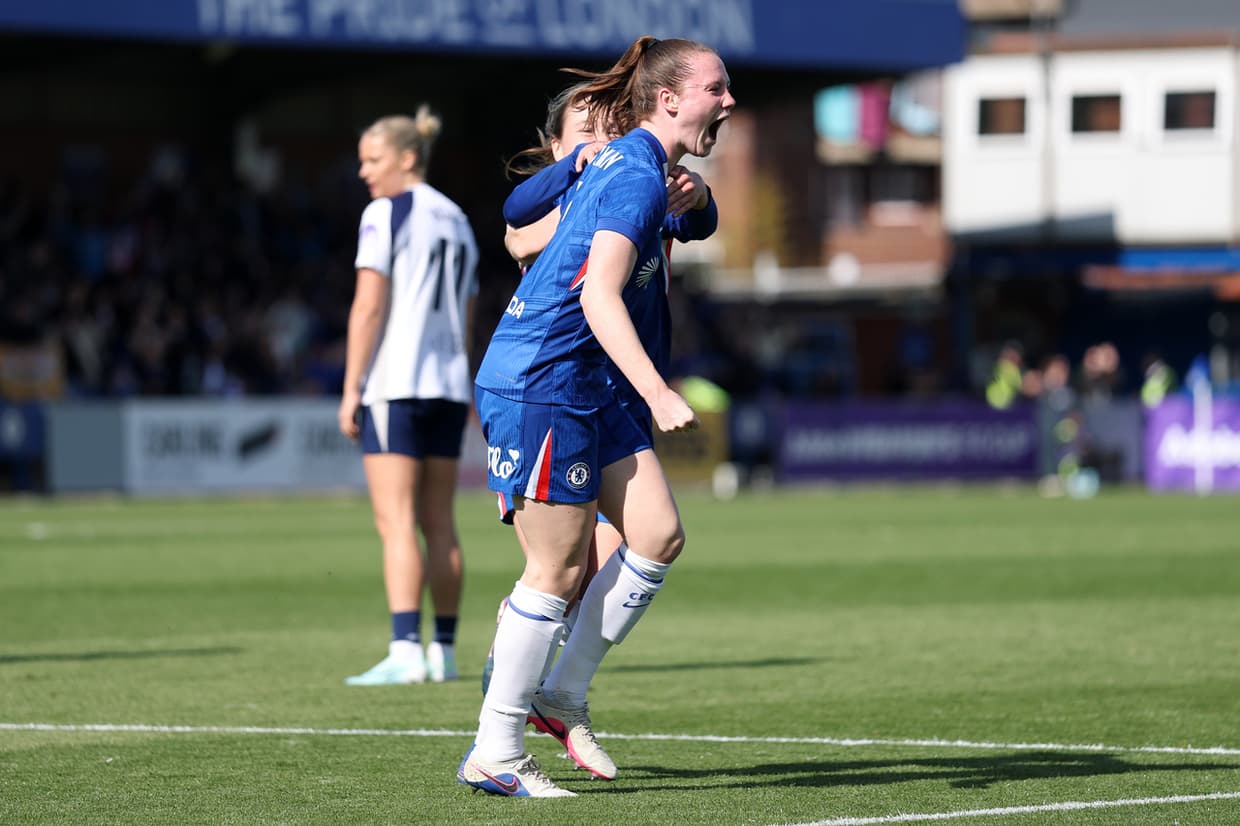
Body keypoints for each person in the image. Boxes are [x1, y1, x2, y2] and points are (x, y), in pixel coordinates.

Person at [459, 36, 734, 798]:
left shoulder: (644, 170)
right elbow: (595, 294)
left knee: (656, 534)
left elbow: (695, 225)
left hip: (588, 382)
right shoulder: (631, 178)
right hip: (544, 379)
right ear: (670, 98)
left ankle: (561, 693)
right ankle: (495, 750)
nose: (730, 100)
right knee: (556, 570)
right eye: (718, 87)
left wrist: (701, 200)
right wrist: (659, 392)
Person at [337, 106, 479, 686]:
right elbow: (468, 310)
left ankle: (404, 650)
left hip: (396, 383)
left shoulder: (385, 214)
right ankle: (443, 651)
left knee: (395, 521)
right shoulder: (460, 219)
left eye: (373, 160)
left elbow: (368, 305)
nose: (365, 173)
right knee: (439, 521)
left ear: (405, 156)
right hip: (446, 385)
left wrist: (351, 387)